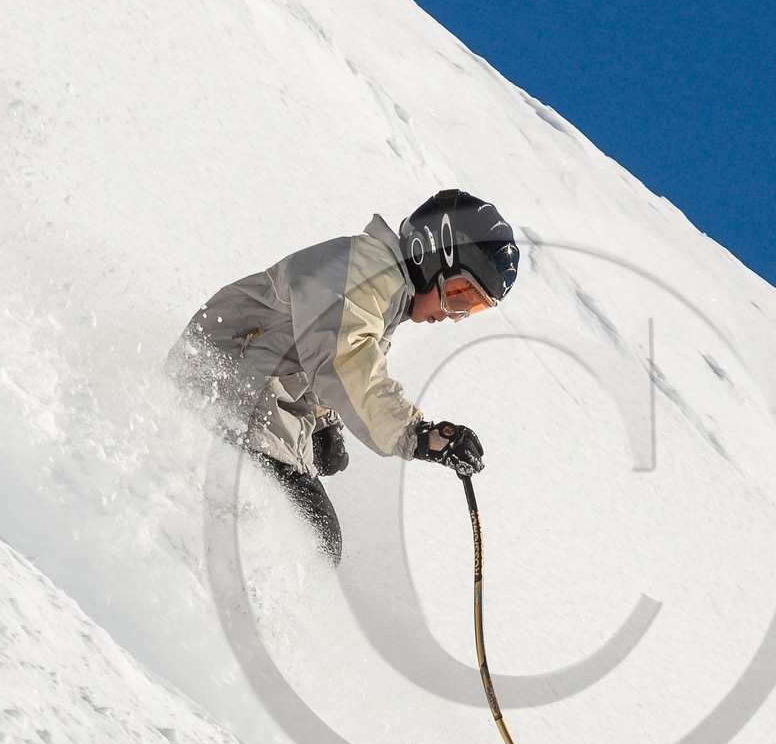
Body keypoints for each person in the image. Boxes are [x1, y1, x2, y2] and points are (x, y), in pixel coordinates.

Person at [169, 189, 518, 564]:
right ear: (429, 253)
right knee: (310, 537)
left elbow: (315, 349)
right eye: (459, 295)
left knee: (316, 538)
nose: (454, 314)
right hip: (227, 396)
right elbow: (344, 358)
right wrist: (418, 435)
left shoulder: (382, 290)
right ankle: (190, 575)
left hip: (253, 403)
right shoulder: (364, 270)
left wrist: (322, 423)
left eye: (471, 307)